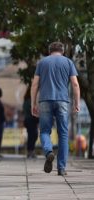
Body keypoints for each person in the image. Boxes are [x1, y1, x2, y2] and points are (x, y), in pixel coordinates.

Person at [31, 41, 80, 176]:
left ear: (49, 51)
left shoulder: (42, 63)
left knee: (45, 131)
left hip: (45, 100)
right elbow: (75, 84)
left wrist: (33, 104)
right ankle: (61, 168)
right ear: (62, 51)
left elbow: (35, 84)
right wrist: (77, 103)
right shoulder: (68, 62)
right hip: (63, 101)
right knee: (63, 134)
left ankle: (48, 152)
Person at [23, 86, 39, 158]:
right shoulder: (29, 101)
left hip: (27, 120)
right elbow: (33, 111)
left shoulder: (26, 101)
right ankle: (30, 151)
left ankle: (30, 151)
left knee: (32, 135)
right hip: (31, 120)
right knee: (33, 136)